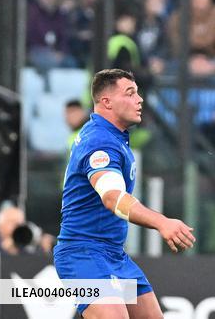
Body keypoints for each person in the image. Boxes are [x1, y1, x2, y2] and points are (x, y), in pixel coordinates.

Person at [53, 69, 195, 319]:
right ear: (106, 102)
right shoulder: (100, 142)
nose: (139, 99)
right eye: (130, 93)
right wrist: (162, 222)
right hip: (83, 255)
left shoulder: (113, 137)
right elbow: (113, 198)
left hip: (114, 255)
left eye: (138, 93)